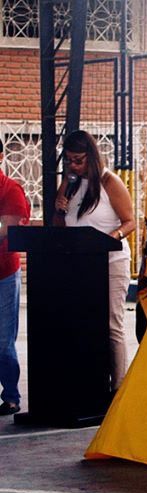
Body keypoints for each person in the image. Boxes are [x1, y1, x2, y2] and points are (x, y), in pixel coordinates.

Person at [54, 130, 135, 391]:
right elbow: (60, 227)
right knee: (85, 322)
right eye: (69, 160)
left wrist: (108, 240)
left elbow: (130, 221)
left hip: (111, 262)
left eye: (78, 160)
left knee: (112, 325)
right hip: (82, 266)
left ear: (91, 155)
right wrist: (59, 208)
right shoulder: (70, 183)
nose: (73, 166)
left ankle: (118, 389)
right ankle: (90, 385)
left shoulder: (109, 181)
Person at [0, 140, 30, 416]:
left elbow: (7, 229)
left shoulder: (11, 190)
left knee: (3, 339)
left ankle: (11, 396)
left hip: (3, 274)